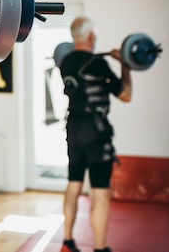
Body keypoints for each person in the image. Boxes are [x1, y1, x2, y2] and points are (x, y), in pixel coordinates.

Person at [58, 17, 132, 252]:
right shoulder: (97, 64)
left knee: (73, 185)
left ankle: (67, 241)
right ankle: (100, 249)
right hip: (96, 134)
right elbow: (126, 95)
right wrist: (125, 64)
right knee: (100, 194)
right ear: (90, 36)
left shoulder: (66, 61)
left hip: (73, 131)